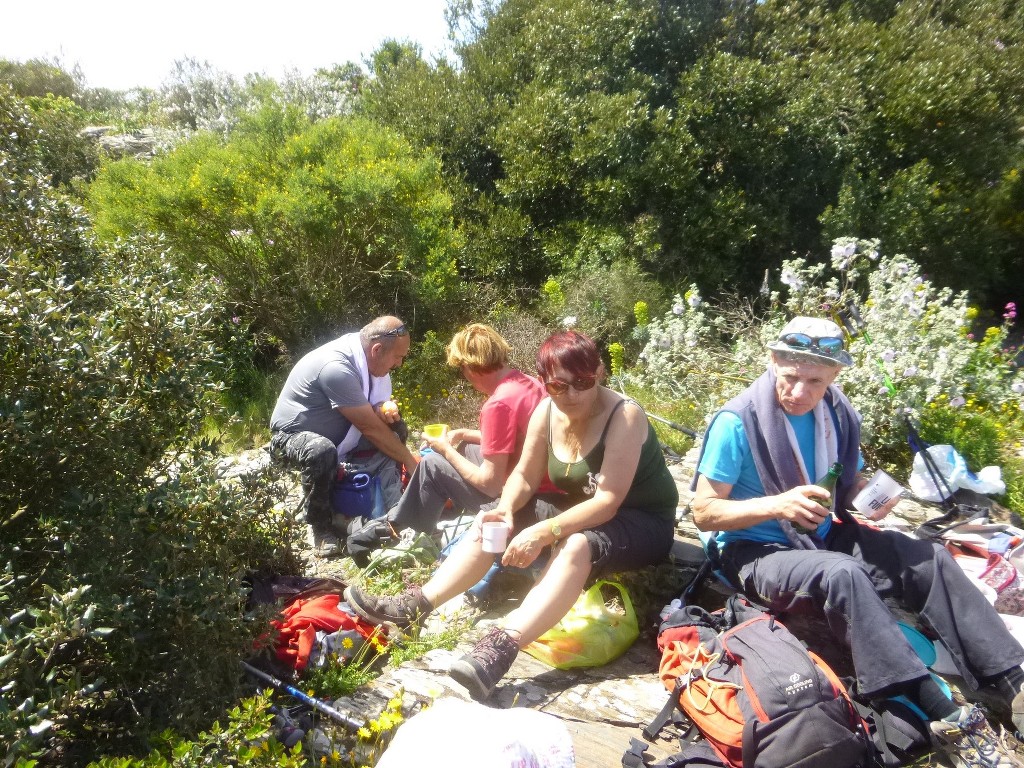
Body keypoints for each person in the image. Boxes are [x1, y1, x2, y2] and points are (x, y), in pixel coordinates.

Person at [690, 316, 1024, 765]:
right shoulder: (737, 422)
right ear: (772, 361)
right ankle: (943, 713)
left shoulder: (836, 414)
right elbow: (705, 512)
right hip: (754, 551)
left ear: (834, 376)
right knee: (842, 574)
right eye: (790, 378)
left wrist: (868, 497)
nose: (799, 392)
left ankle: (1012, 681)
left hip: (823, 532)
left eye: (814, 381)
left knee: (926, 557)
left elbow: (846, 483)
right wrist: (777, 505)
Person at [344, 330, 679, 700]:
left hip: (641, 519)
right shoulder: (547, 410)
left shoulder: (624, 416)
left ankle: (502, 647)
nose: (571, 395)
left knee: (577, 544)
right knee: (489, 519)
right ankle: (417, 604)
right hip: (578, 506)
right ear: (544, 382)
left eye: (582, 382)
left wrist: (545, 531)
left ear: (599, 372)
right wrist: (505, 509)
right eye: (557, 385)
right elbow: (524, 475)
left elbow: (608, 501)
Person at [269, 316, 418, 557]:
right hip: (290, 438)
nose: (399, 364)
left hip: (340, 433)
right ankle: (320, 526)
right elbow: (369, 428)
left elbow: (370, 411)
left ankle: (389, 499)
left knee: (396, 429)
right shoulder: (337, 367)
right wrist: (412, 462)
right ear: (377, 349)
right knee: (321, 451)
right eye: (398, 357)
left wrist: (381, 409)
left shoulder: (370, 361)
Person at [389, 322, 556, 533]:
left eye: (462, 369)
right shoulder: (527, 382)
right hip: (548, 482)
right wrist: (463, 433)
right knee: (467, 446)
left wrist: (445, 450)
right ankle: (420, 516)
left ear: (469, 368)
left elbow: (490, 484)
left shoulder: (498, 404)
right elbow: (515, 439)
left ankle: (406, 531)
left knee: (431, 464)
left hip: (527, 499)